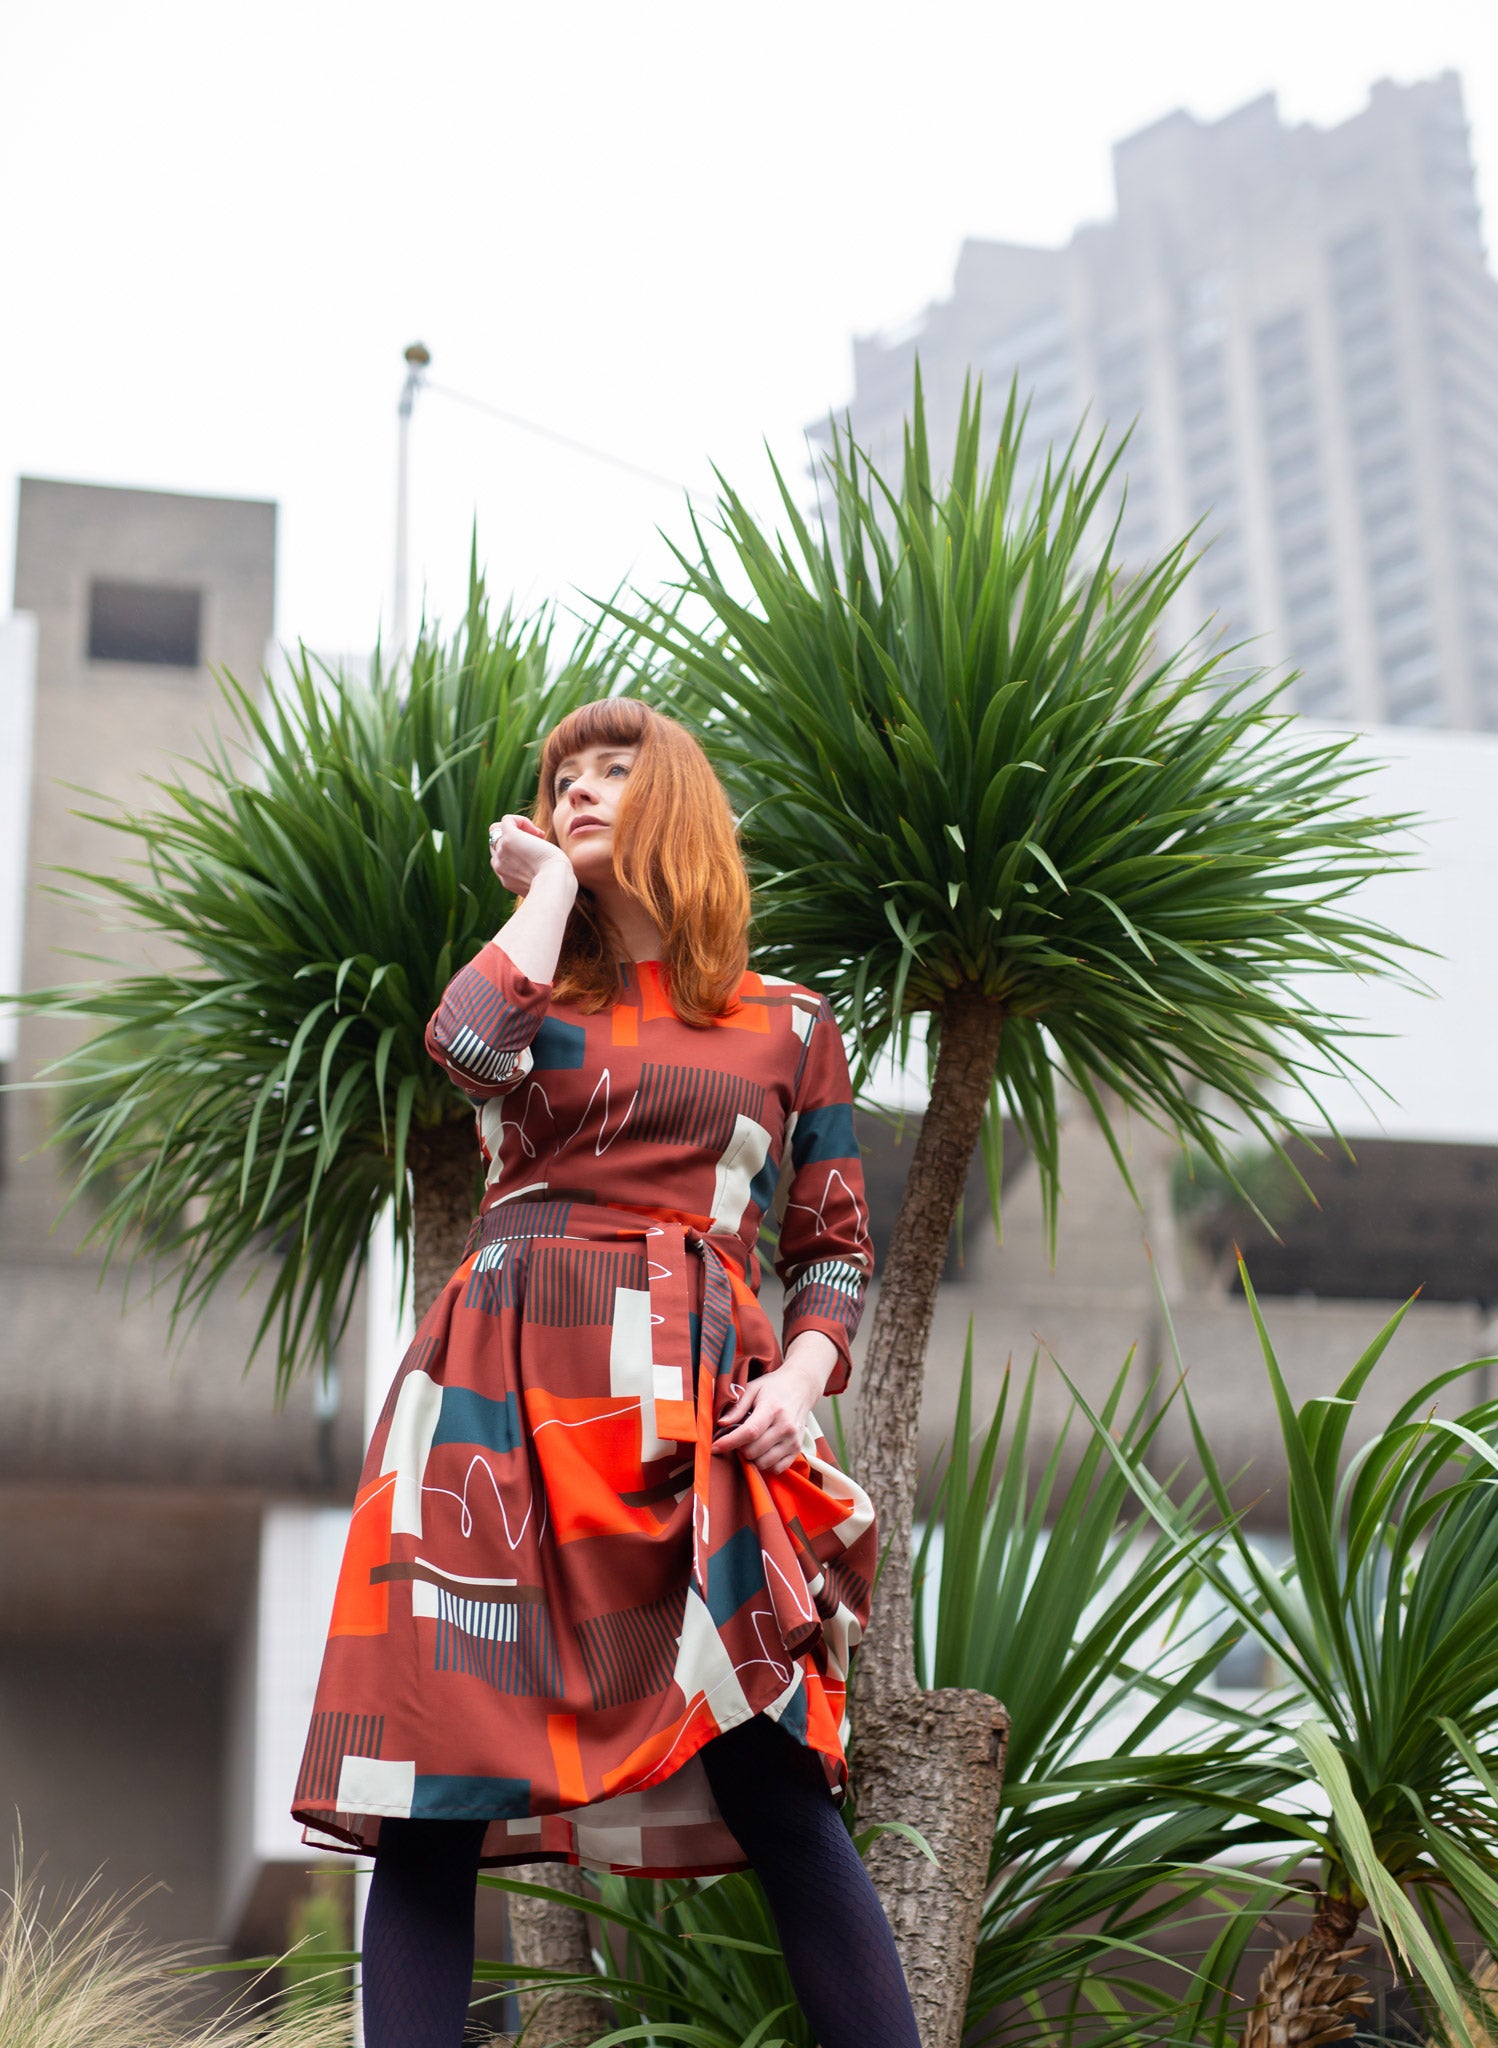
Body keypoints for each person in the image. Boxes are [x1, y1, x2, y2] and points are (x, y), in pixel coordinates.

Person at [293, 699, 920, 2048]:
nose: (579, 789)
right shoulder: (535, 1001)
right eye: (563, 780)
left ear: (681, 802)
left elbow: (832, 1249)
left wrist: (802, 1385)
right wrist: (561, 892)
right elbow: (462, 1048)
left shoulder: (788, 1024)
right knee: (431, 1781)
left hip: (696, 1414)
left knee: (768, 1770)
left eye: (614, 774)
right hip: (493, 1399)